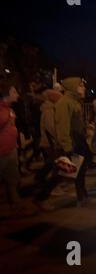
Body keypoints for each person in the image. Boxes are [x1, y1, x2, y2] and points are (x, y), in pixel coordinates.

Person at [55, 77, 94, 206]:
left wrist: (85, 129)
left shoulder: (74, 102)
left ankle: (82, 195)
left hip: (78, 140)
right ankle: (81, 197)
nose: (84, 88)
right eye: (81, 85)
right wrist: (66, 145)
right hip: (73, 141)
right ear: (73, 87)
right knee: (71, 170)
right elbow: (63, 125)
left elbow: (76, 123)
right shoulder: (64, 102)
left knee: (80, 169)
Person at [0, 80, 35, 216]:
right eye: (14, 92)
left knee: (13, 180)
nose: (17, 94)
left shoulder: (10, 108)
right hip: (1, 153)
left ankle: (16, 205)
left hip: (11, 150)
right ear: (6, 94)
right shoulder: (3, 109)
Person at [33, 88, 63, 211]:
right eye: (58, 96)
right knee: (58, 168)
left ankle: (39, 179)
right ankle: (43, 196)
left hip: (50, 144)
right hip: (51, 144)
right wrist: (60, 139)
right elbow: (51, 128)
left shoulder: (49, 109)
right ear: (53, 98)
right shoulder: (49, 110)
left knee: (51, 165)